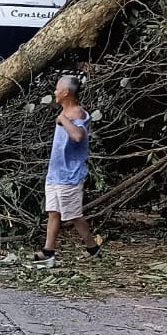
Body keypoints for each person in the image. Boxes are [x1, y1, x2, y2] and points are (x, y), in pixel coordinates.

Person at [34, 73, 102, 268]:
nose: (54, 92)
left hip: (69, 175)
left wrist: (63, 120)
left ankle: (92, 248)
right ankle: (49, 253)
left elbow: (78, 136)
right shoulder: (65, 113)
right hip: (55, 174)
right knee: (53, 213)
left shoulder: (77, 114)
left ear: (65, 92)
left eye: (57, 89)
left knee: (73, 215)